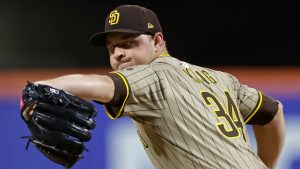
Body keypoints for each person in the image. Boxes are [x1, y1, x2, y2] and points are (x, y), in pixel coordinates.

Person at [26, 4, 285, 169]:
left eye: (128, 43)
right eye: (112, 48)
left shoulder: (152, 76)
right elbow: (273, 112)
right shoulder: (219, 78)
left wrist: (38, 88)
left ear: (157, 41)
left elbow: (101, 85)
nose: (118, 54)